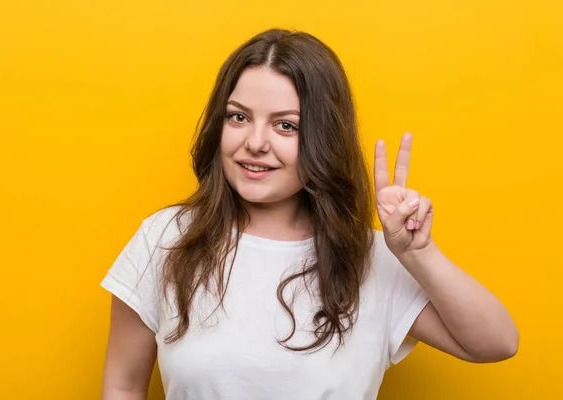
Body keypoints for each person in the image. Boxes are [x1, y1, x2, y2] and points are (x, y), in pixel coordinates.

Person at [100, 29, 518, 400]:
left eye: (286, 126)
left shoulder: (371, 258)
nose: (255, 142)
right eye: (239, 117)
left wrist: (418, 253)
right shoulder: (166, 238)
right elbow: (123, 386)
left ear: (322, 138)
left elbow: (496, 344)